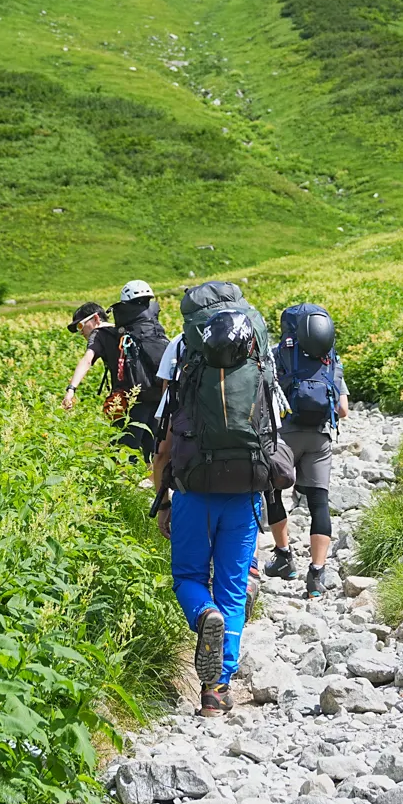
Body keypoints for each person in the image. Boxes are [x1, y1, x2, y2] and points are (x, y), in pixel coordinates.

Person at [150, 280, 282, 717]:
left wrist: (162, 496)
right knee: (233, 587)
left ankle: (202, 612)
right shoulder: (259, 348)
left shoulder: (181, 348)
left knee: (188, 575)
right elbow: (274, 421)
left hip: (194, 488)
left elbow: (166, 435)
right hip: (245, 489)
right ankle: (215, 693)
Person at [262, 302, 349, 598]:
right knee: (319, 502)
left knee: (273, 491)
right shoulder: (331, 359)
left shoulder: (280, 354)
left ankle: (284, 557)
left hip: (285, 435)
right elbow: (343, 409)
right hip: (320, 438)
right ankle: (316, 575)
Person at [63, 284, 169, 460]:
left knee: (122, 453)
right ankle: (158, 486)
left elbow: (87, 360)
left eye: (81, 325)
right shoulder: (134, 328)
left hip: (130, 400)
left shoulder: (100, 334)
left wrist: (71, 389)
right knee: (154, 450)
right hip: (156, 392)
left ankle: (125, 487)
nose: (81, 331)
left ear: (96, 318)